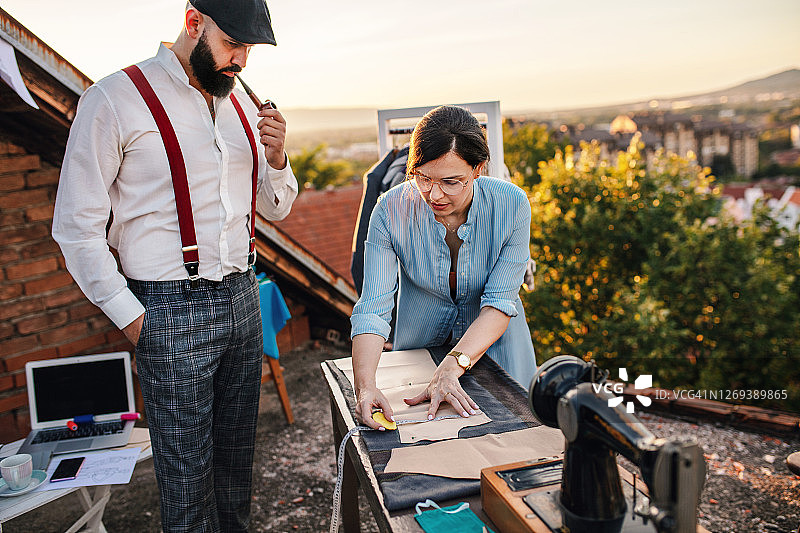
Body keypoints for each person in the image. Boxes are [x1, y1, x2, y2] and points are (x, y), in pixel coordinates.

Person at [52, 1, 298, 531]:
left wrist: (277, 162)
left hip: (242, 297)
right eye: (233, 44)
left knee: (236, 473)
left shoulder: (241, 107)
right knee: (187, 487)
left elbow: (275, 208)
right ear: (194, 23)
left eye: (250, 49)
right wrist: (135, 318)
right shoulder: (114, 99)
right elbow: (75, 228)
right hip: (167, 308)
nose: (242, 62)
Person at [350, 105, 537, 429]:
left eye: (451, 182)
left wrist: (453, 366)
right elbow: (372, 308)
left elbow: (499, 303)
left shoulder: (513, 205)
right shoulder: (388, 211)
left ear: (478, 169)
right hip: (418, 353)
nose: (434, 194)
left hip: (499, 350)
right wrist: (365, 386)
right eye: (423, 178)